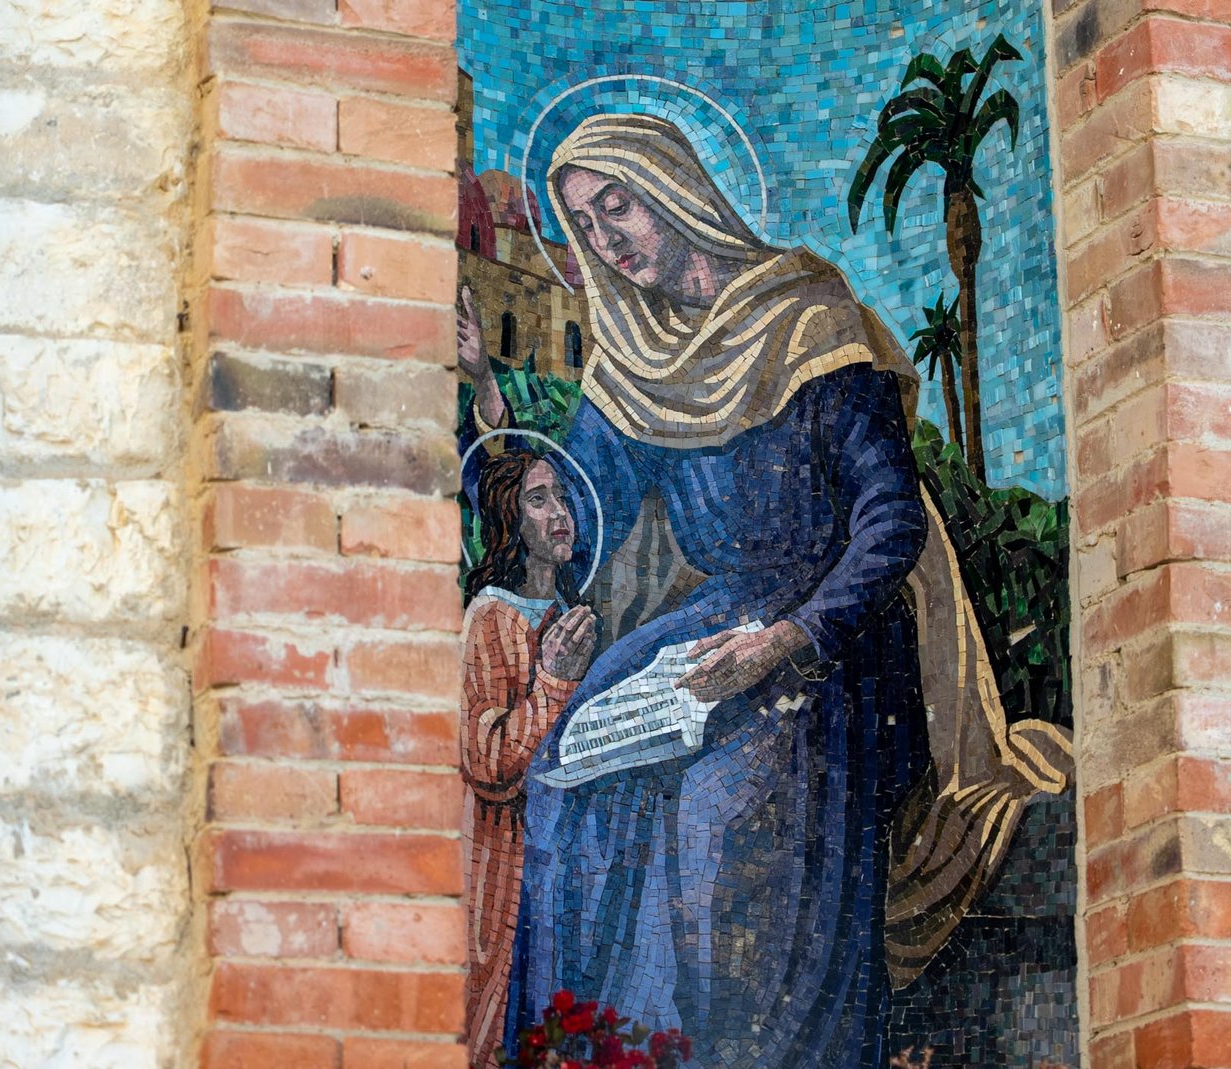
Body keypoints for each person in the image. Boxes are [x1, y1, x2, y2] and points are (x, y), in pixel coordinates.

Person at [458, 113, 1070, 1069]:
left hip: (838, 634)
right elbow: (579, 509)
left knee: (720, 812)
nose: (610, 239)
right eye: (586, 223)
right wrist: (489, 405)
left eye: (618, 205)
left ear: (674, 191)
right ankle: (593, 1053)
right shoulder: (634, 361)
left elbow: (890, 521)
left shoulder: (807, 314)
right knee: (566, 777)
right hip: (713, 624)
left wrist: (785, 641)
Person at [460, 450, 598, 1069]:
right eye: (538, 500)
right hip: (506, 857)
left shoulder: (568, 618)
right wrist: (553, 683)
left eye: (561, 497)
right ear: (508, 521)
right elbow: (488, 761)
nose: (559, 513)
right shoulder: (491, 618)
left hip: (563, 851)